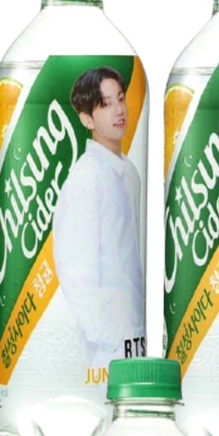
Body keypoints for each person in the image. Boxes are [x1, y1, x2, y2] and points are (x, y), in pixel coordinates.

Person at [52, 66, 145, 371]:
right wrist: (106, 336)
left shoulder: (129, 172)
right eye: (105, 104)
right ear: (87, 119)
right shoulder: (87, 177)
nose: (119, 110)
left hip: (134, 337)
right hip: (106, 349)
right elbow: (73, 266)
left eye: (121, 99)